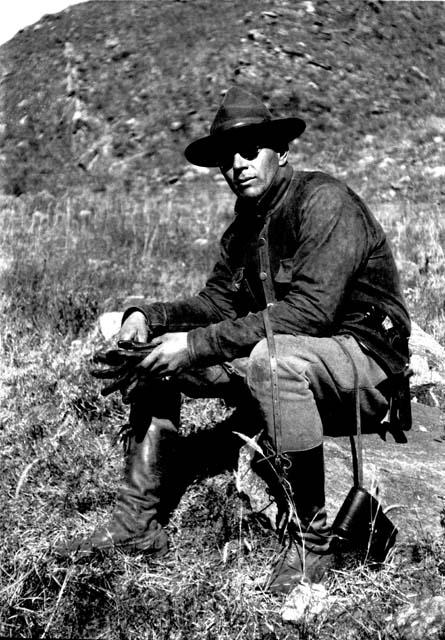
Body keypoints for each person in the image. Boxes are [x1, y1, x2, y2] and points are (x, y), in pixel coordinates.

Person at [58, 86, 411, 598]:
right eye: (229, 157)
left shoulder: (324, 201)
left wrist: (197, 345)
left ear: (281, 152)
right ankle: (139, 520)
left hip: (362, 361)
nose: (239, 165)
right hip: (293, 359)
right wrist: (146, 316)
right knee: (157, 353)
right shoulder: (242, 231)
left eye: (251, 151)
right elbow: (215, 306)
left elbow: (310, 314)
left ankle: (311, 540)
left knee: (271, 361)